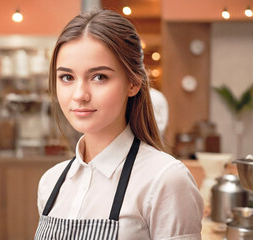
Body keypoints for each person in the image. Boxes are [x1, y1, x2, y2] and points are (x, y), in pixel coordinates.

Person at [35, 9, 203, 239]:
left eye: (99, 77)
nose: (79, 94)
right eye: (67, 77)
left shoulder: (165, 180)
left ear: (133, 83)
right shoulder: (51, 182)